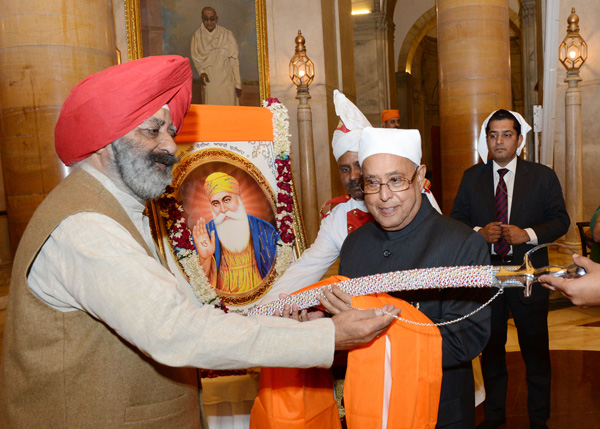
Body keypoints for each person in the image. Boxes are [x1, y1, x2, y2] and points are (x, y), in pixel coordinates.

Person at [0, 55, 399, 428]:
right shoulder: (84, 226)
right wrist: (327, 337)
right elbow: (176, 330)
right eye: (152, 130)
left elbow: (184, 313)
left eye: (170, 132)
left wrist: (275, 318)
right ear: (106, 139)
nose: (171, 146)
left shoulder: (130, 215)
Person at [338, 126, 492, 428]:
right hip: (367, 407)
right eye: (373, 182)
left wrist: (374, 334)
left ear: (420, 178)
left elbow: (467, 337)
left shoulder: (461, 244)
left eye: (396, 180)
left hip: (437, 411)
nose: (384, 196)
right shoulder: (354, 245)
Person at [450, 109, 570, 429]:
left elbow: (561, 220)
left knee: (535, 350)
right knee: (491, 349)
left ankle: (539, 419)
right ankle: (494, 416)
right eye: (493, 135)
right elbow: (456, 221)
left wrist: (526, 235)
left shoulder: (542, 176)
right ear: (486, 140)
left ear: (519, 139)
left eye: (506, 135)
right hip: (488, 277)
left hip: (529, 273)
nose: (499, 141)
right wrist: (478, 233)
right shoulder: (471, 177)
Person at [263, 91, 440, 302]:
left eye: (359, 166)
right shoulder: (337, 218)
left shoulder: (414, 198)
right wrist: (262, 308)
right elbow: (305, 269)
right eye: (345, 169)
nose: (354, 176)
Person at [192, 172, 277, 293]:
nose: (223, 209)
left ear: (239, 198)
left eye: (226, 200)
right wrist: (205, 258)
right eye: (216, 203)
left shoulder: (264, 229)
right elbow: (198, 287)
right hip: (224, 304)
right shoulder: (204, 235)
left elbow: (279, 274)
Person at [190, 7, 241, 105]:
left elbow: (234, 61)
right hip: (210, 82)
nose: (209, 22)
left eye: (212, 19)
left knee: (229, 114)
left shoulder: (227, 35)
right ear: (202, 19)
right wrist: (201, 72)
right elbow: (196, 60)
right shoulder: (197, 37)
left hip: (227, 82)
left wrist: (238, 84)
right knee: (212, 114)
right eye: (206, 19)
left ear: (216, 19)